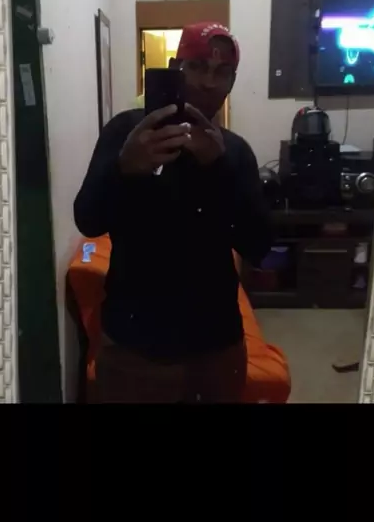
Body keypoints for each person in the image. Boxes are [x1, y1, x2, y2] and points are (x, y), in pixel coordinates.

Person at [74, 22, 271, 403]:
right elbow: (88, 220)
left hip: (217, 347)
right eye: (197, 67)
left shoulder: (235, 152)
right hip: (134, 346)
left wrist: (219, 169)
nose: (209, 82)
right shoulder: (125, 132)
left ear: (232, 82)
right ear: (175, 68)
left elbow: (259, 245)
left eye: (222, 72)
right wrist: (125, 168)